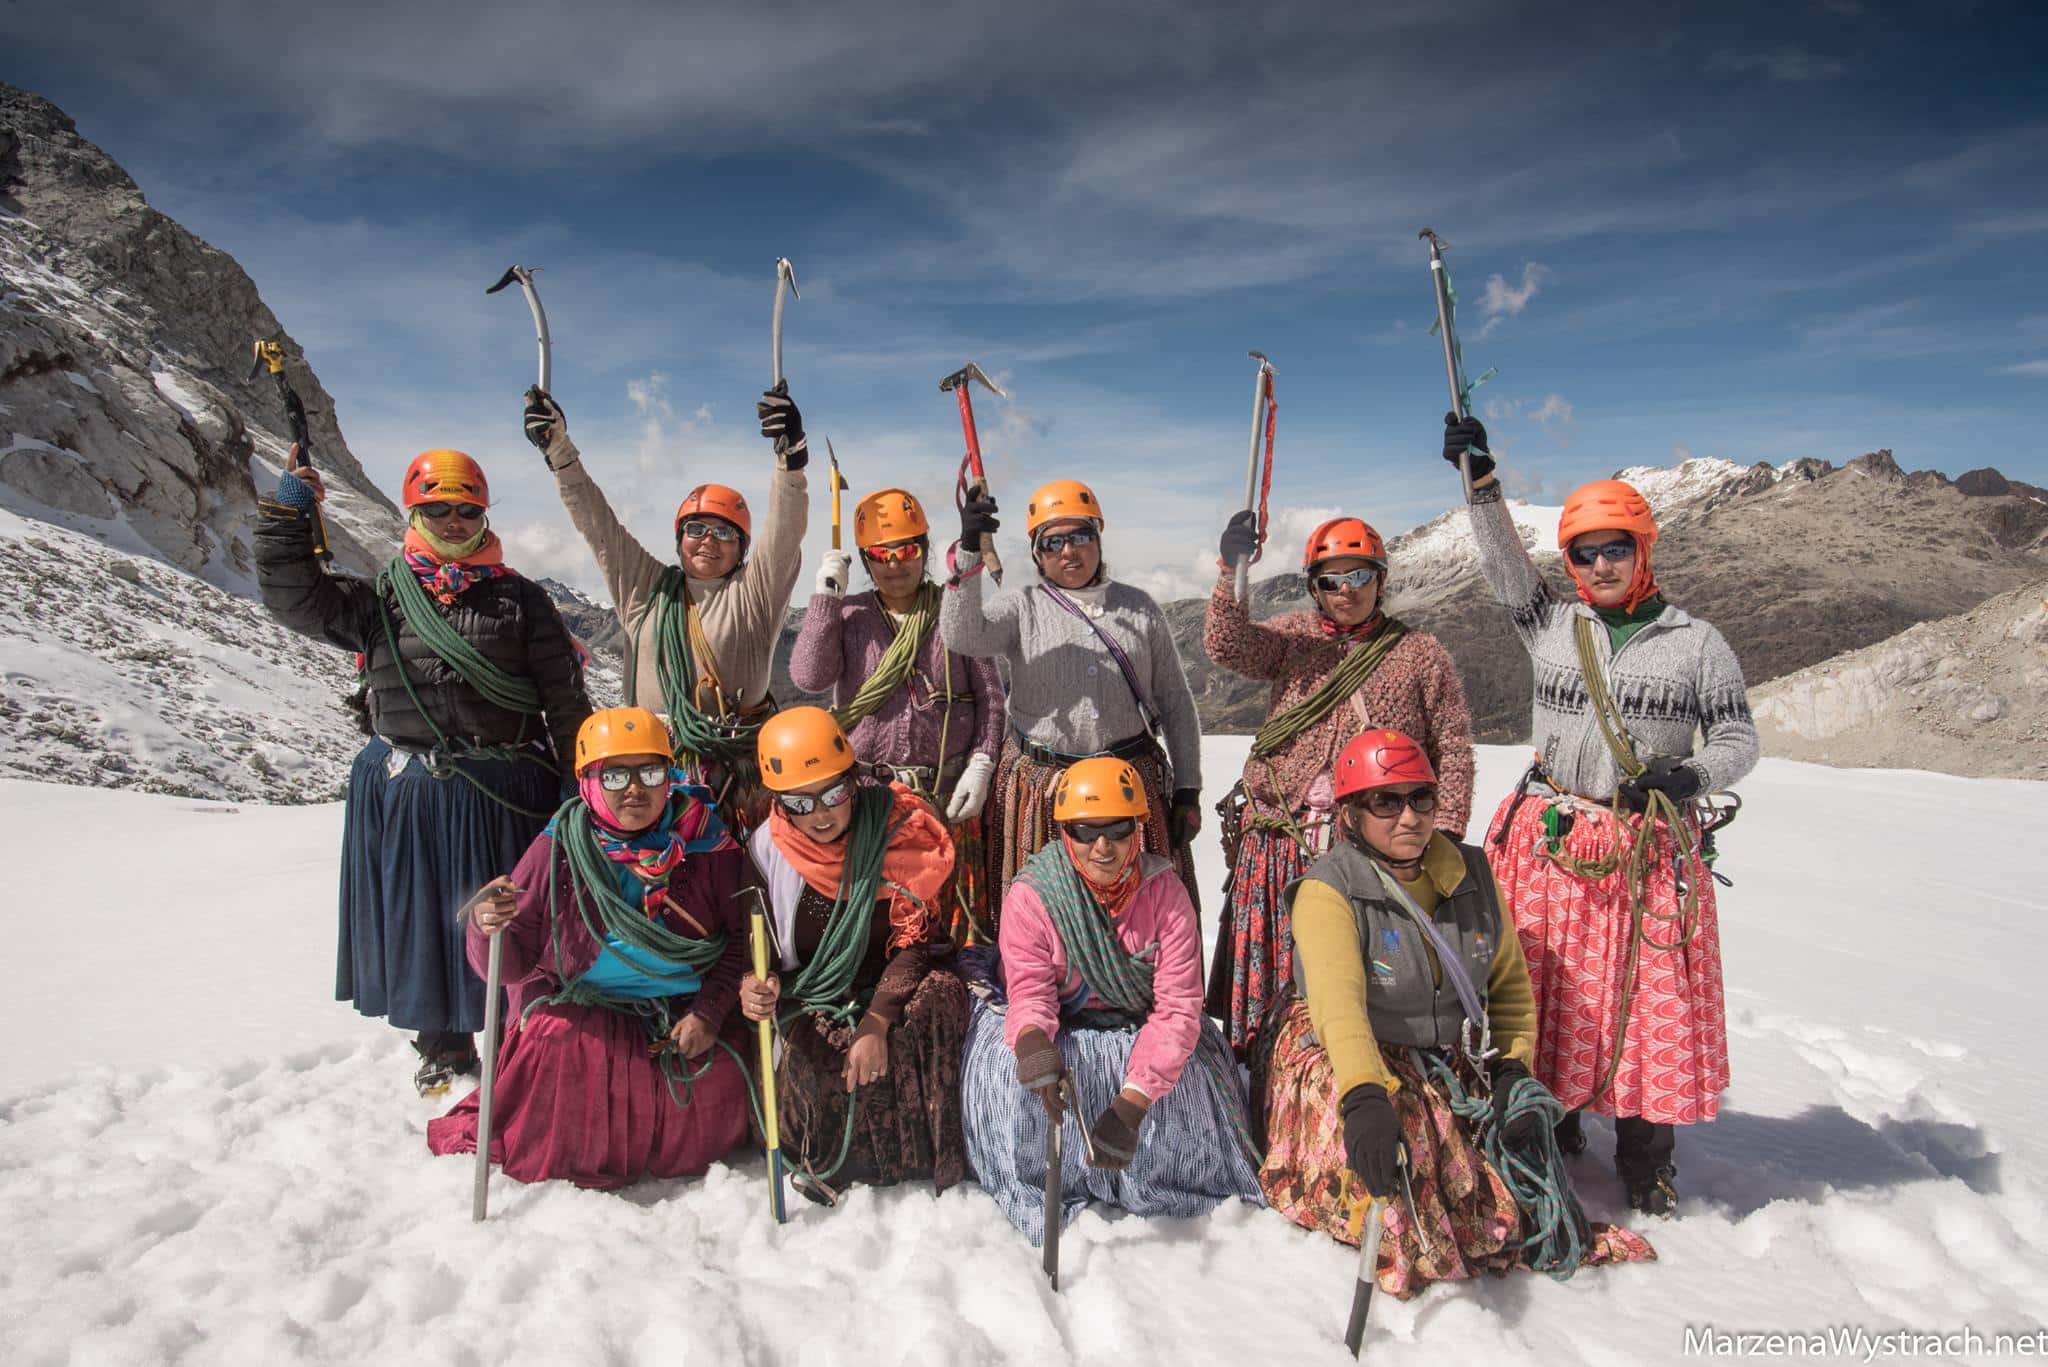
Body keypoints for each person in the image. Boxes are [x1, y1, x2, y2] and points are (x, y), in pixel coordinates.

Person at [1441, 413, 1758, 1216]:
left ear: (1643, 547)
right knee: (1545, 987)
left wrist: (1691, 775)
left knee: (1645, 995)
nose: (1601, 563)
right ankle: (1558, 1117)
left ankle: (1648, 1157)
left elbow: (1737, 734)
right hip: (1550, 838)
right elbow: (1505, 563)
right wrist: (1479, 482)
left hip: (1644, 843)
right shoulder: (1551, 622)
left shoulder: (1697, 642)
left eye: (1616, 546)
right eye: (1585, 551)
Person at [1259, 729, 1655, 1298]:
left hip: (1448, 1050)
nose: (1409, 817)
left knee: (1506, 1180)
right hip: (1354, 1052)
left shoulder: (1470, 873)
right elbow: (1338, 1006)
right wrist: (1365, 1097)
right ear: (1350, 813)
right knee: (1406, 1169)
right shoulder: (1330, 891)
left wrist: (1513, 1070)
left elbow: (1509, 986)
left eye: (1420, 798)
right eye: (1385, 801)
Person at [257, 447, 591, 1095]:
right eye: (439, 509)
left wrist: (578, 790)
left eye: (467, 510)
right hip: (415, 789)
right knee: (427, 919)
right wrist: (291, 510)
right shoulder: (381, 598)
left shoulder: (521, 600)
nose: (455, 520)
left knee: (507, 917)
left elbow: (565, 701)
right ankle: (440, 1045)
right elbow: (294, 595)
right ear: (416, 510)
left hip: (504, 788)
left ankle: (523, 1034)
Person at [425, 707, 754, 1188]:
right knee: (560, 1048)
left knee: (718, 1071)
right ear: (589, 782)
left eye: (651, 771)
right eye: (615, 774)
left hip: (684, 1002)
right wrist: (486, 927)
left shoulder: (709, 845)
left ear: (670, 775)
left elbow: (742, 941)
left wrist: (709, 1011)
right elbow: (510, 966)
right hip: (582, 1000)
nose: (635, 788)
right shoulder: (558, 848)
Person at [1204, 511, 1475, 1059]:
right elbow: (1227, 645)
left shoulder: (1419, 653)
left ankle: (1364, 1082)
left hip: (1373, 847)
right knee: (1278, 973)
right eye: (1331, 580)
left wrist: (1441, 833)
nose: (1345, 590)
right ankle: (1270, 1082)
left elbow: (1451, 744)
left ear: (1381, 579)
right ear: (1314, 587)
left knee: (1364, 973)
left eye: (1359, 576)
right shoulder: (1294, 640)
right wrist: (1231, 570)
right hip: (1283, 838)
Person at [961, 758, 1262, 1246]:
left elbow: (1178, 1007)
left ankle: (1163, 1177)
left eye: (1118, 829)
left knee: (1189, 1072)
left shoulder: (1166, 896)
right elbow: (1030, 992)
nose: (1103, 846)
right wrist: (1034, 1045)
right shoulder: (1033, 897)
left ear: (1137, 829)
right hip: (1061, 1021)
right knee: (1006, 1069)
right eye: (1085, 831)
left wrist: (1133, 1103)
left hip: (1142, 1027)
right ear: (1065, 832)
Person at [520, 384, 807, 816]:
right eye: (696, 529)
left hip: (733, 778)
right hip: (648, 771)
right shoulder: (644, 587)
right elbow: (598, 522)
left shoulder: (754, 596)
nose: (709, 540)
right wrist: (559, 451)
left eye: (725, 532)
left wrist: (790, 462)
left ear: (743, 549)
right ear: (679, 539)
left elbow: (786, 532)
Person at [939, 479, 1204, 930]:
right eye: (1052, 542)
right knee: (1046, 918)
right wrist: (968, 551)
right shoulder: (1022, 607)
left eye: (1079, 536)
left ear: (1098, 538)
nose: (1068, 552)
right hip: (1041, 788)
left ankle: (1148, 993)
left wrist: (1187, 789)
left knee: (1138, 919)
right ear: (1038, 554)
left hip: (1128, 785)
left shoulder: (1139, 609)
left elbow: (1175, 701)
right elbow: (962, 634)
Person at [740, 706, 968, 1202]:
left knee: (938, 1005)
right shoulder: (767, 853)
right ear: (778, 803)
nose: (821, 814)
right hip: (816, 988)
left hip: (896, 976)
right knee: (817, 1059)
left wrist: (877, 1021)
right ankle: (835, 1163)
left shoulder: (897, 829)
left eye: (833, 794)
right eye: (800, 803)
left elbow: (917, 937)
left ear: (853, 781)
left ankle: (930, 1159)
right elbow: (754, 942)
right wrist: (757, 984)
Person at [789, 488, 1006, 942]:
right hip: (873, 802)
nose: (895, 563)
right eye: (880, 554)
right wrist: (826, 596)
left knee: (949, 929)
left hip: (945, 797)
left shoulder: (955, 611)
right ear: (865, 561)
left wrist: (982, 763)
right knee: (884, 928)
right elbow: (809, 676)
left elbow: (990, 698)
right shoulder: (850, 616)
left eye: (907, 549)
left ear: (924, 550)